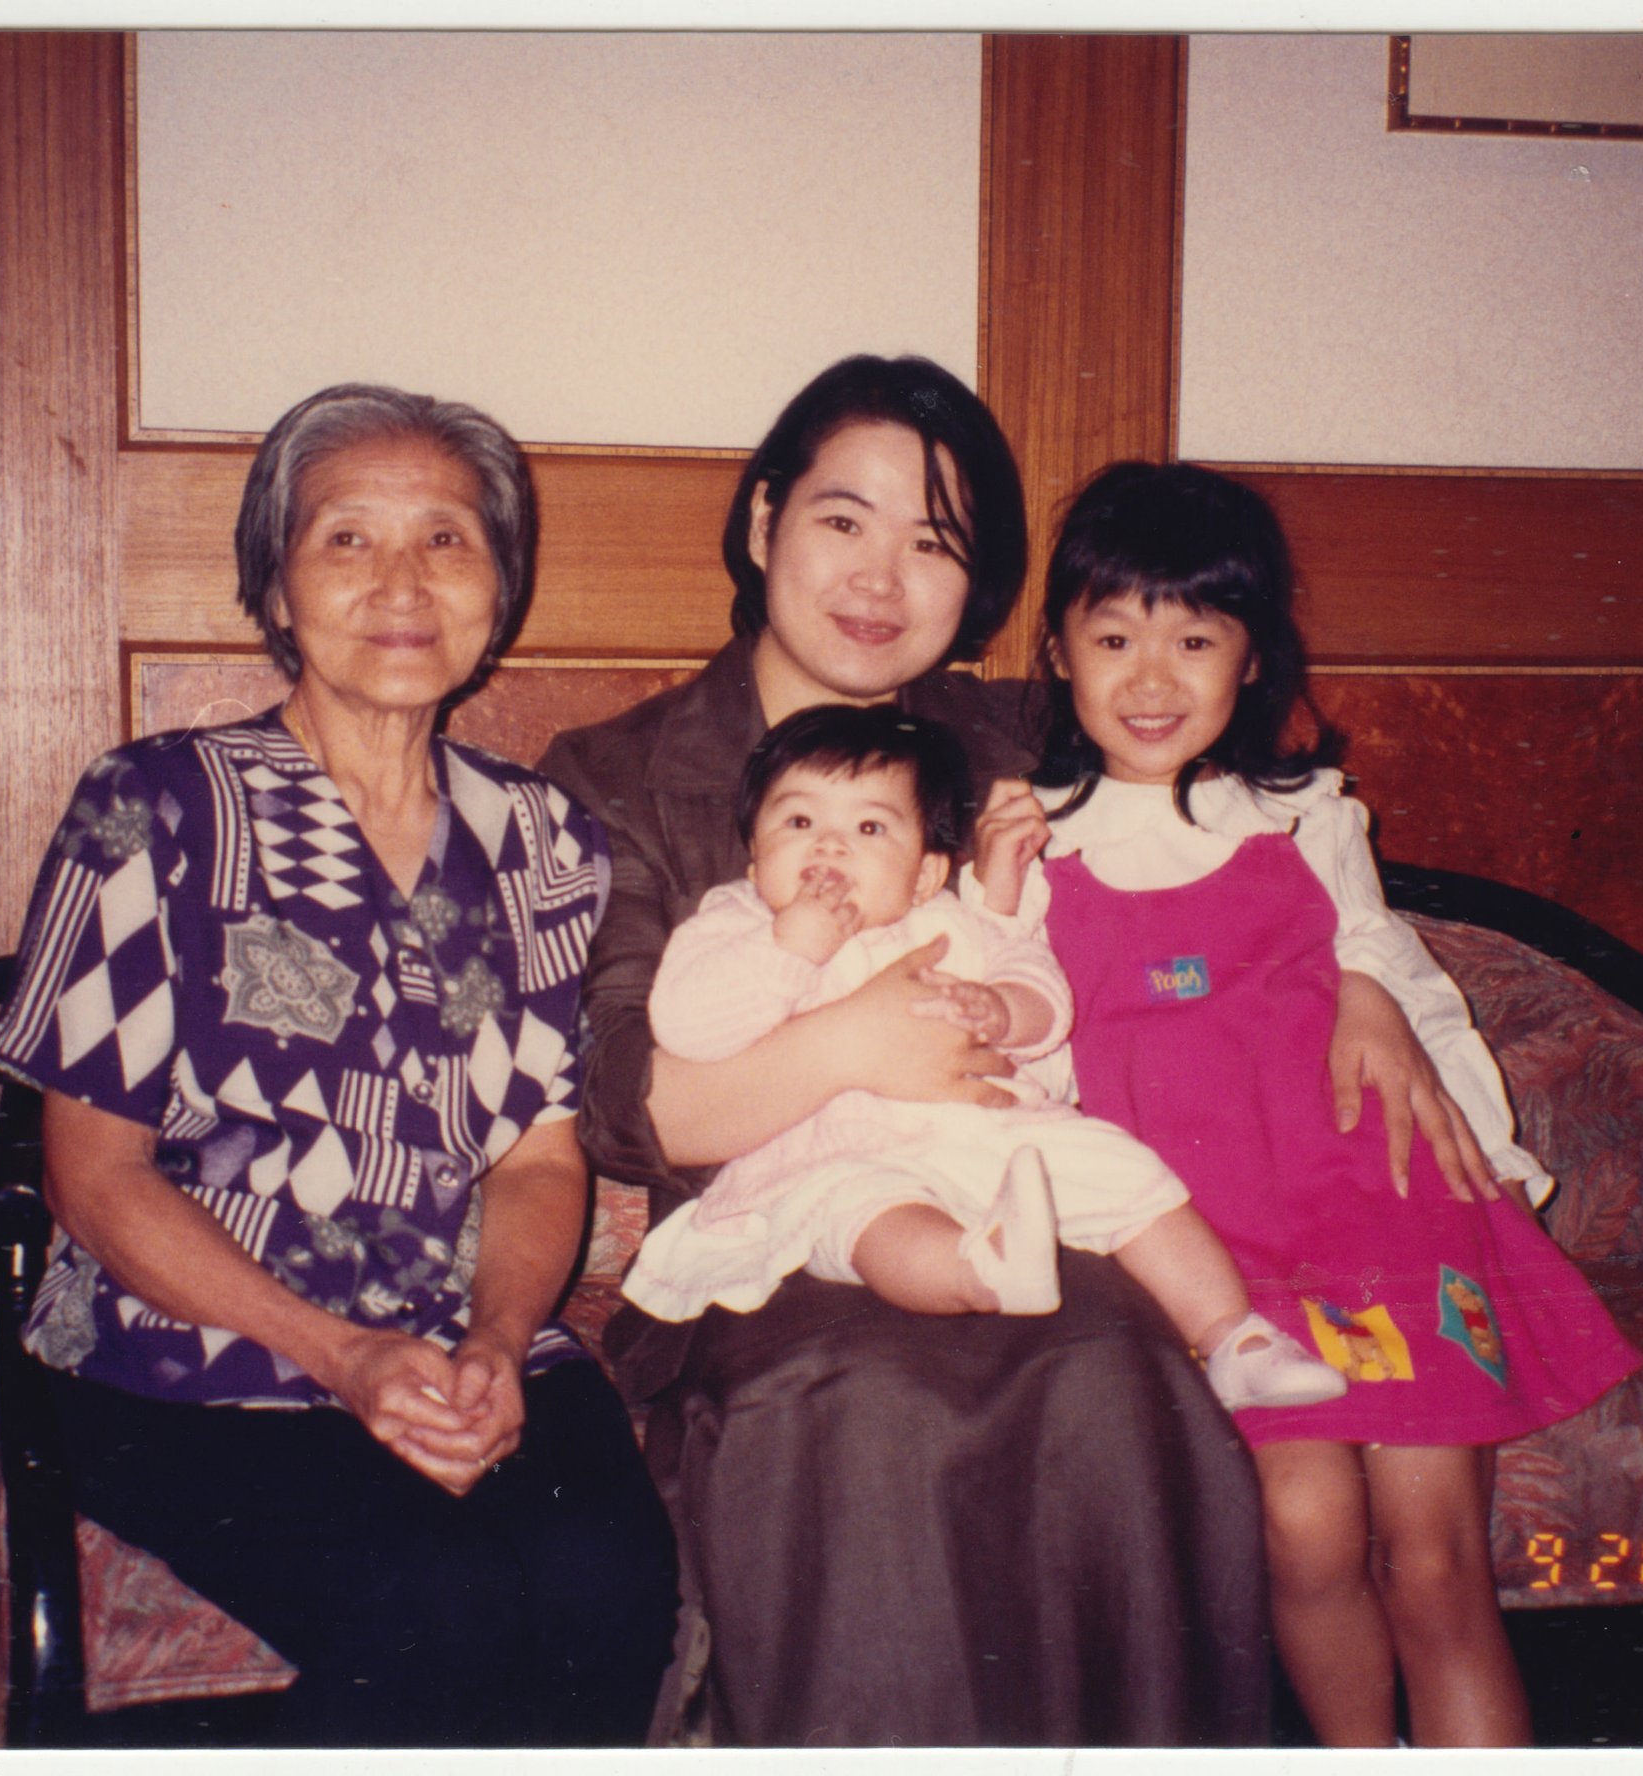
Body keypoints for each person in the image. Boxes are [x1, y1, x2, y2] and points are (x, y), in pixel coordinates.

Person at [538, 354, 1482, 1745]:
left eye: (934, 543)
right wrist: (857, 1045)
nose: (880, 577)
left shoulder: (1020, 734)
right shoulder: (620, 774)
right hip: (789, 1256)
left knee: (1119, 1369)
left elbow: (1253, 836)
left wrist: (1367, 980)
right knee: (862, 1408)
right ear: (760, 526)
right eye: (843, 520)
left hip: (1037, 1206)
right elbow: (629, 1103)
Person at [0, 383, 677, 1747]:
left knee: (613, 1584)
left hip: (474, 1345)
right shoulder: (155, 808)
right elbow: (96, 1177)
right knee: (446, 1600)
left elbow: (539, 1154)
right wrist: (342, 1354)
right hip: (192, 1353)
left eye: (447, 540)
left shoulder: (545, 842)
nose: (401, 581)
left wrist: (487, 1339)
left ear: (499, 590)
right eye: (347, 539)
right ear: (278, 586)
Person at [980, 459, 1643, 1748]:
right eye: (1112, 638)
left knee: (1437, 1565)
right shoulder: (1032, 841)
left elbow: (1393, 974)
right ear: (1058, 653)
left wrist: (1467, 1133)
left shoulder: (1304, 817)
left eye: (1194, 638)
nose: (1153, 678)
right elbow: (1021, 1052)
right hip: (1216, 1256)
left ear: (1250, 661)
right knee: (1306, 1528)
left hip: (1381, 1214)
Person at [626, 702, 1347, 1420]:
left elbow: (1044, 993)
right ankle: (978, 1269)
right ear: (755, 862)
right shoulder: (739, 922)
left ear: (922, 875)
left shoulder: (949, 920)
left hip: (986, 1137)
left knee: (1127, 1173)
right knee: (869, 1217)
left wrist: (1003, 1007)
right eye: (799, 822)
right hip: (832, 1152)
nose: (831, 848)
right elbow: (688, 1025)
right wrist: (790, 947)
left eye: (870, 827)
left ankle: (1231, 1336)